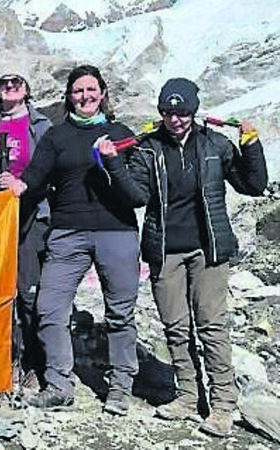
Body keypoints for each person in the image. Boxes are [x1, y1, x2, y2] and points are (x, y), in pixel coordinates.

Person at [123, 78, 267, 436]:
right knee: (175, 327)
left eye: (183, 111)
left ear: (194, 111)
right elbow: (137, 195)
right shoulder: (146, 148)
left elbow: (254, 185)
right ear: (161, 113)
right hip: (165, 250)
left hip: (209, 249)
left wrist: (251, 145)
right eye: (168, 112)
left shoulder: (216, 144)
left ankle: (222, 405)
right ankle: (188, 397)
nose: (176, 119)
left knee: (212, 326)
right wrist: (113, 164)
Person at [10, 65, 143, 415]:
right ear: (69, 96)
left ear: (102, 93)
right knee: (49, 308)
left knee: (120, 313)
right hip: (67, 231)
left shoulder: (121, 133)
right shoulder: (56, 136)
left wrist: (113, 160)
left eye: (91, 89)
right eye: (77, 90)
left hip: (117, 231)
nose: (85, 96)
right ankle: (59, 385)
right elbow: (35, 178)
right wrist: (18, 186)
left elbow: (136, 192)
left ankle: (120, 388)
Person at [0, 73, 52, 392]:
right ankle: (5, 358)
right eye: (4, 84)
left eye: (17, 83)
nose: (10, 88)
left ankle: (33, 362)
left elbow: (49, 168)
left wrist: (23, 187)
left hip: (32, 215)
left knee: (28, 293)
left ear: (27, 89)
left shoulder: (41, 126)